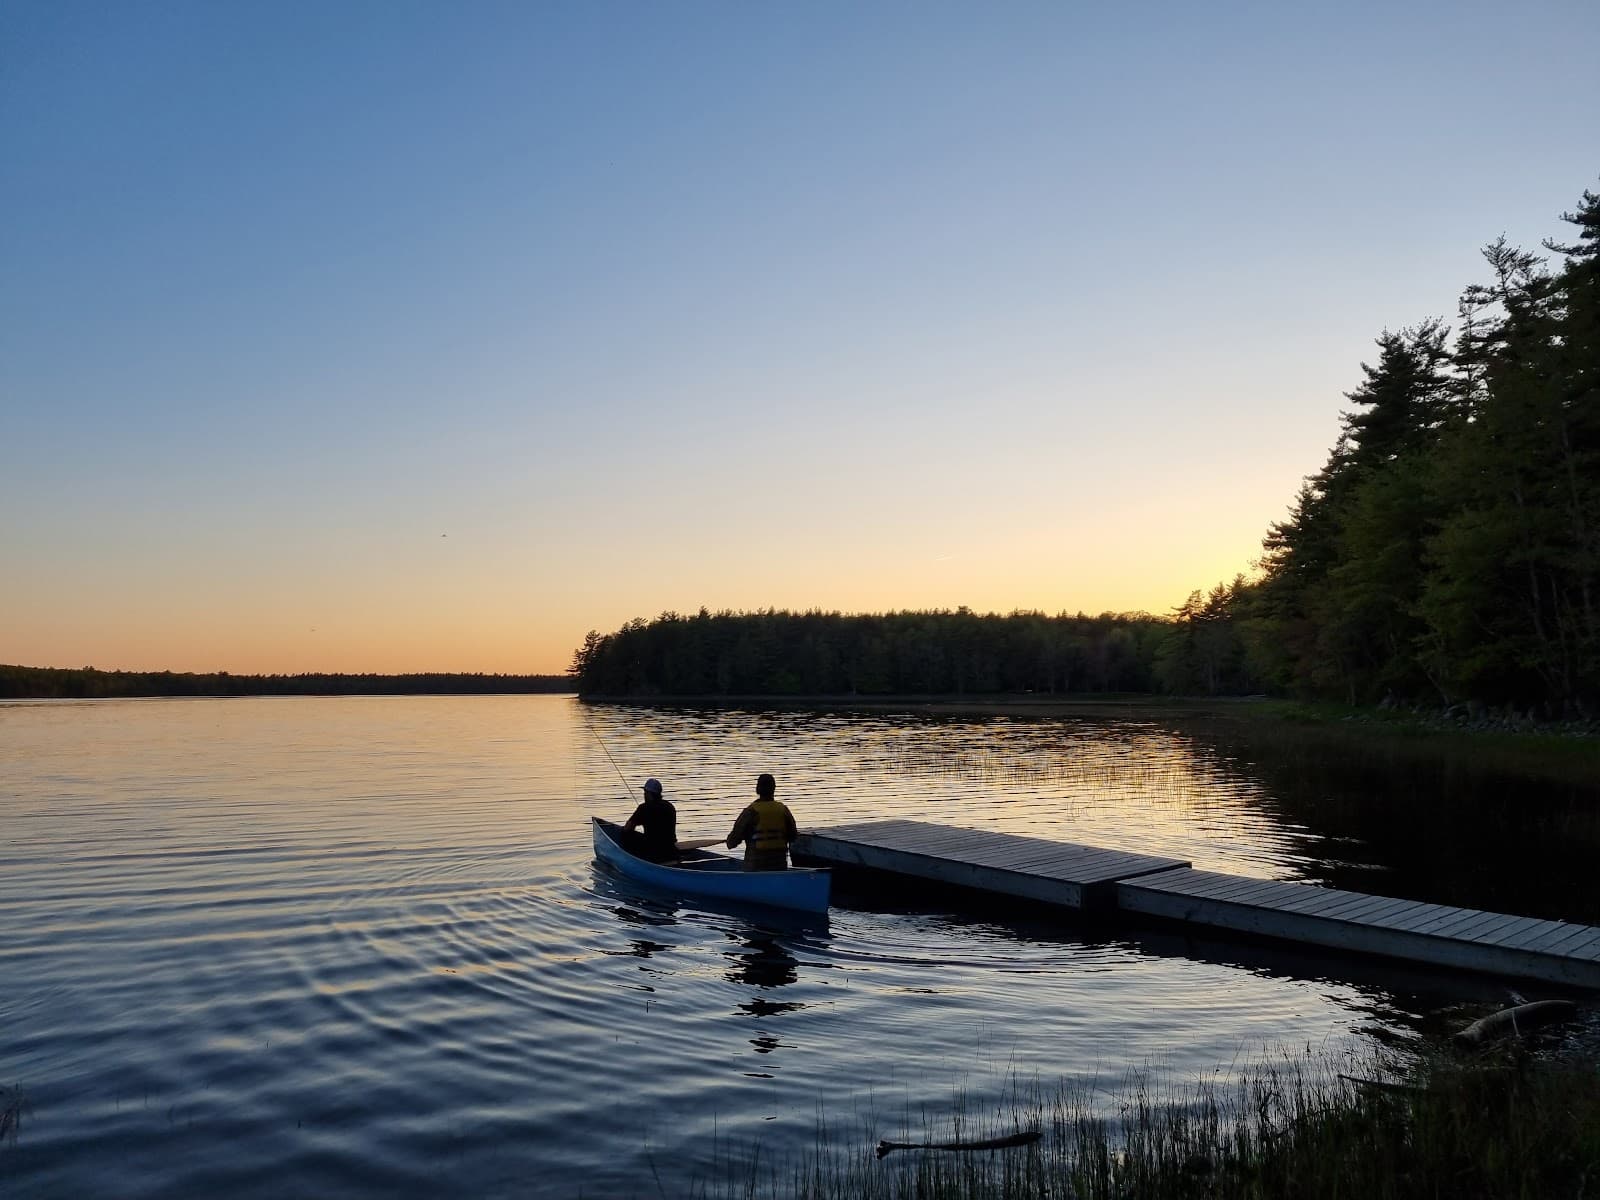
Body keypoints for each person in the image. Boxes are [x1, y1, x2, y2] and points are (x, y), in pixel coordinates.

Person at [725, 773, 797, 871]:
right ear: (774, 789)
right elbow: (793, 837)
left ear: (757, 790)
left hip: (755, 867)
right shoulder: (784, 810)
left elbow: (732, 842)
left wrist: (729, 841)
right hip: (779, 866)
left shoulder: (751, 811)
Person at [623, 777, 677, 862]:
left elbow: (628, 827)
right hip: (670, 848)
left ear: (649, 794)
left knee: (625, 835)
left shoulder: (644, 808)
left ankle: (631, 858)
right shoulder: (670, 806)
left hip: (652, 850)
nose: (644, 795)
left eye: (645, 792)